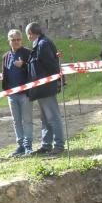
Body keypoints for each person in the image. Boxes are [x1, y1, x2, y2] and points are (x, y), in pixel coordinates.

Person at [26, 22, 65, 155]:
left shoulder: (43, 44)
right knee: (45, 118)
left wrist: (57, 81)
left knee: (53, 117)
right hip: (41, 88)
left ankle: (59, 145)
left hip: (46, 87)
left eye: (28, 34)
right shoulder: (40, 43)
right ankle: (46, 145)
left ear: (30, 34)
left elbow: (51, 65)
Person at [2, 29, 34, 157]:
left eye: (18, 39)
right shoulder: (6, 56)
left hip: (25, 93)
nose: (16, 42)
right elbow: (4, 73)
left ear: (21, 40)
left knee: (27, 120)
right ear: (9, 41)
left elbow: (33, 70)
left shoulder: (28, 53)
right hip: (11, 94)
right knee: (16, 121)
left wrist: (24, 65)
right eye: (13, 40)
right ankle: (20, 145)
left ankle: (28, 146)